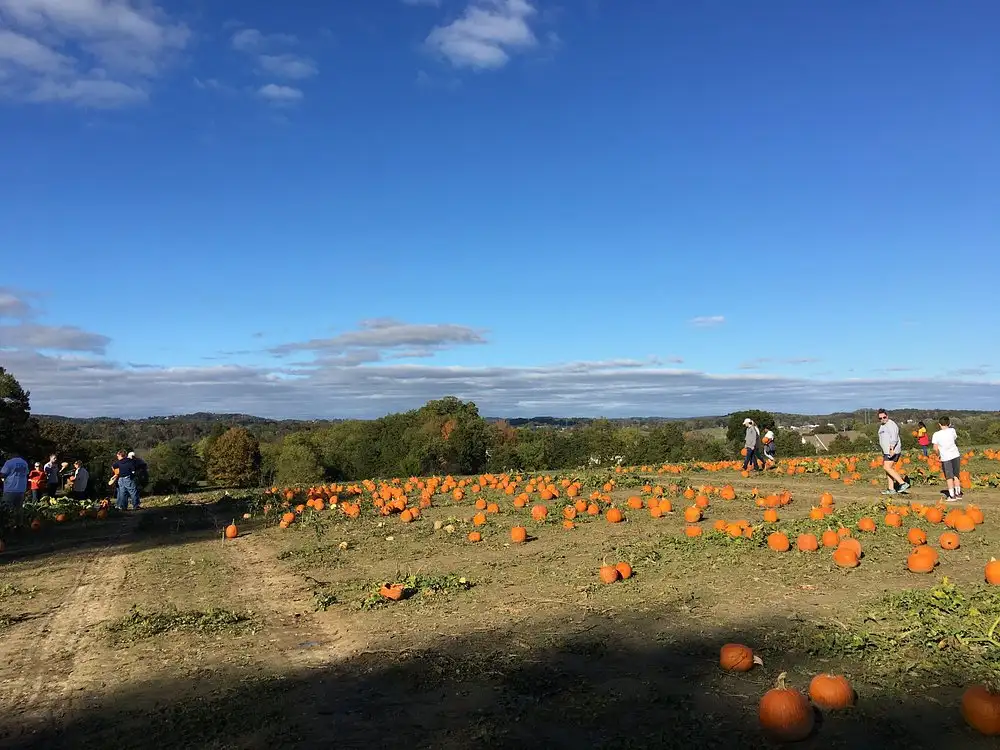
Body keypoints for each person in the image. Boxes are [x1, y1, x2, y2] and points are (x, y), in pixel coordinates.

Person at [876, 408, 910, 495]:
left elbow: (894, 438)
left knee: (886, 467)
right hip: (886, 451)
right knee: (888, 469)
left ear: (887, 416)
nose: (883, 419)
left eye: (884, 417)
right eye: (880, 418)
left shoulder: (891, 424)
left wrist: (891, 449)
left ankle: (902, 483)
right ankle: (891, 489)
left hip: (892, 450)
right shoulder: (882, 425)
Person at [932, 416, 963, 502]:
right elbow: (954, 438)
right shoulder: (952, 431)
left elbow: (935, 448)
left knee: (949, 477)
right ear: (949, 424)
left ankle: (952, 495)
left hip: (946, 457)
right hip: (956, 455)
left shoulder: (936, 434)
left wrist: (938, 454)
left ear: (939, 424)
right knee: (956, 475)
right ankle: (958, 493)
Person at [1, 452, 29, 527]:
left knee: (7, 507)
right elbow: (26, 473)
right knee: (19, 508)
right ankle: (19, 524)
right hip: (21, 488)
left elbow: (3, 473)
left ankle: (8, 524)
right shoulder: (24, 463)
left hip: (10, 488)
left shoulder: (9, 462)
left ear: (11, 456)